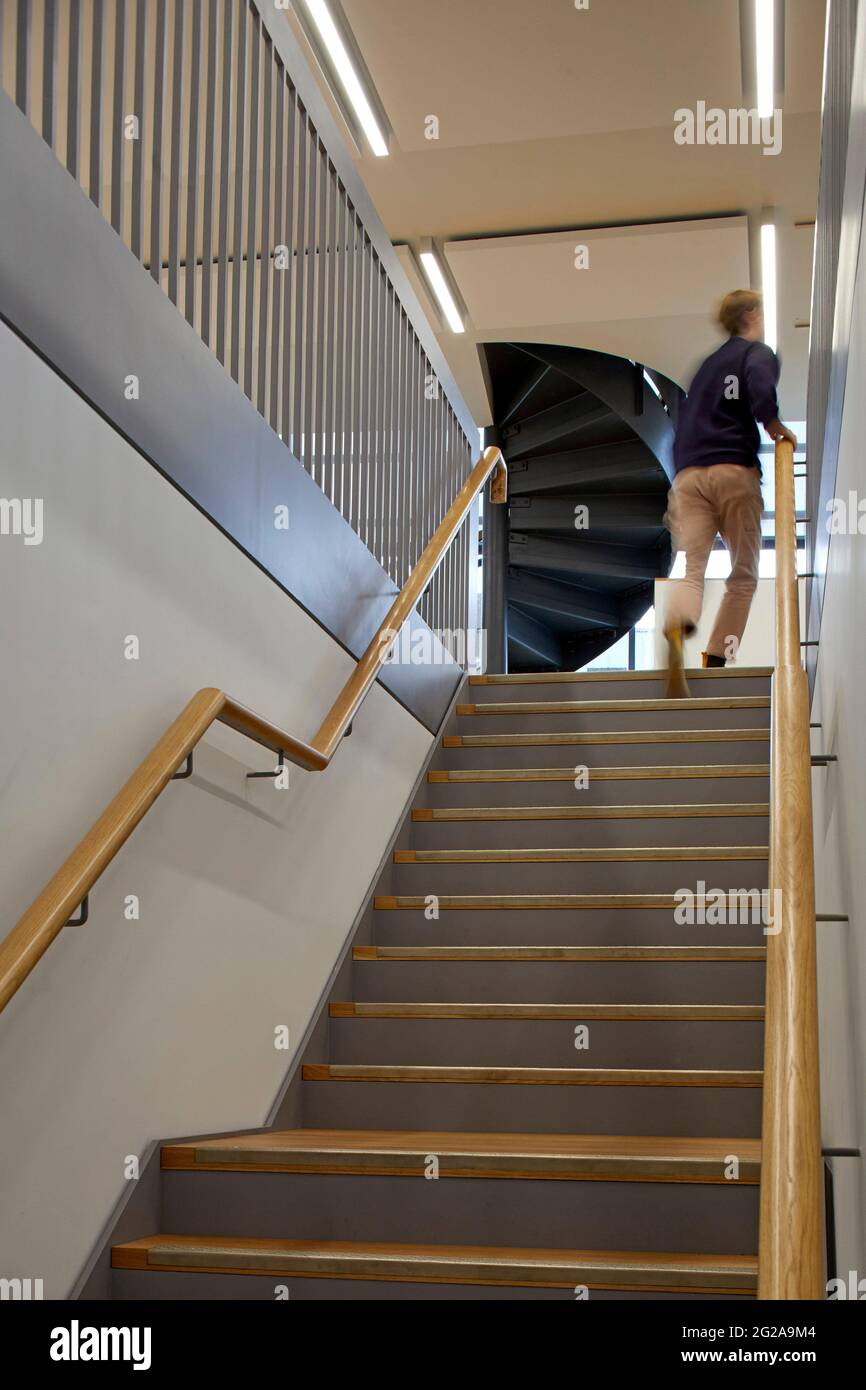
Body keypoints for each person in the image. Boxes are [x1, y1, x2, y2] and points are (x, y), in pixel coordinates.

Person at [663, 289, 798, 698]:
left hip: (687, 476)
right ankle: (715, 661)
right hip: (733, 471)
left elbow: (682, 421)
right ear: (752, 314)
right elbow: (759, 387)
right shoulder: (755, 353)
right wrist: (776, 429)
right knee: (742, 575)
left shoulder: (705, 367)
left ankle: (676, 627)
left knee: (693, 571)